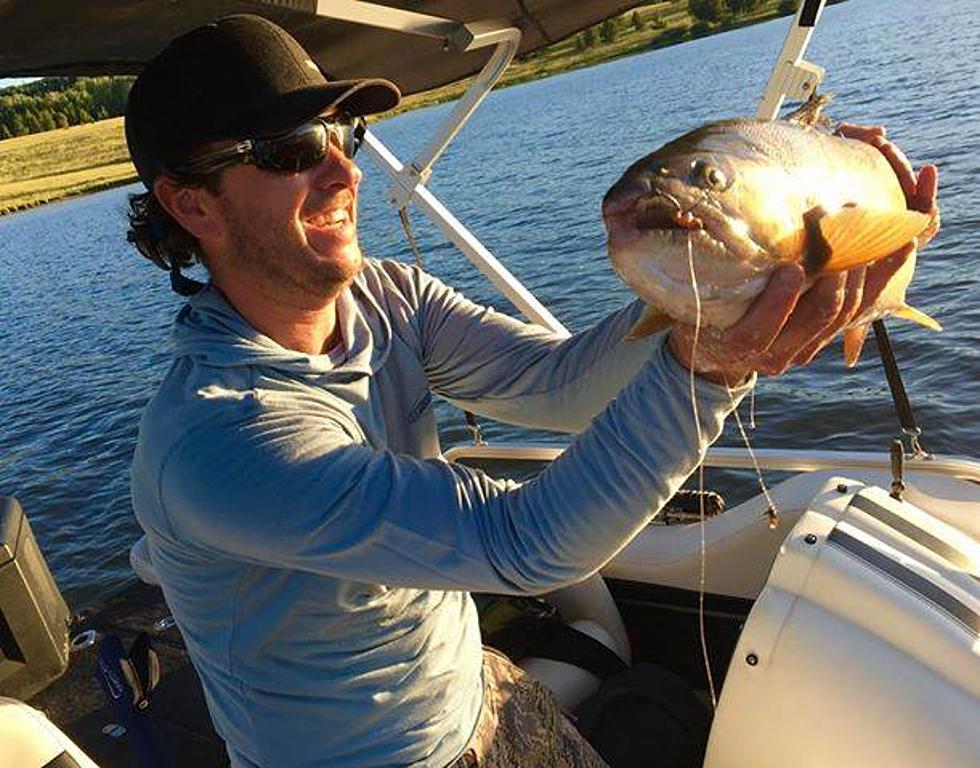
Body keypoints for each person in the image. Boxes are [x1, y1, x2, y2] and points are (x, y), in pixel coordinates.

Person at [124, 14, 939, 768]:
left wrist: (726, 287)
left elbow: (558, 384)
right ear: (192, 202)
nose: (344, 170)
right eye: (293, 148)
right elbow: (520, 540)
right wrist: (715, 364)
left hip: (474, 692)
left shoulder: (387, 298)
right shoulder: (218, 442)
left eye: (346, 134)